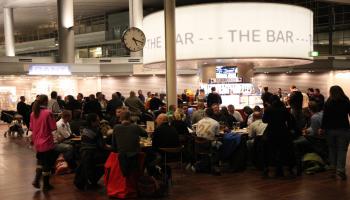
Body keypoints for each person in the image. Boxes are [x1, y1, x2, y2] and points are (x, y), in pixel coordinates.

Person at [262, 95, 295, 178]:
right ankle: (286, 171)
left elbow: (264, 120)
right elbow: (290, 121)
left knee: (271, 152)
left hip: (271, 132)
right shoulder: (284, 109)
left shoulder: (269, 109)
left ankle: (272, 172)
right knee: (284, 152)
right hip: (283, 132)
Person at [321, 85, 350, 180]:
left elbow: (325, 117)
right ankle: (341, 170)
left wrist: (322, 128)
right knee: (342, 150)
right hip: (343, 129)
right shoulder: (346, 101)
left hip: (330, 130)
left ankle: (332, 169)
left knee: (332, 150)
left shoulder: (328, 102)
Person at [76, 113, 111, 189]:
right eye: (98, 121)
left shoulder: (84, 130)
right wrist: (112, 148)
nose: (99, 122)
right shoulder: (97, 131)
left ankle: (91, 181)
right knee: (110, 158)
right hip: (93, 155)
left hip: (83, 154)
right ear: (92, 122)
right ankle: (96, 180)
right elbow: (102, 146)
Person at [30, 94, 57, 191]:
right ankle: (46, 185)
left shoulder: (33, 113)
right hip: (47, 142)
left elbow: (32, 128)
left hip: (37, 142)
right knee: (47, 164)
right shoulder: (48, 113)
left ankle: (37, 180)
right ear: (46, 101)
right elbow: (53, 127)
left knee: (40, 162)